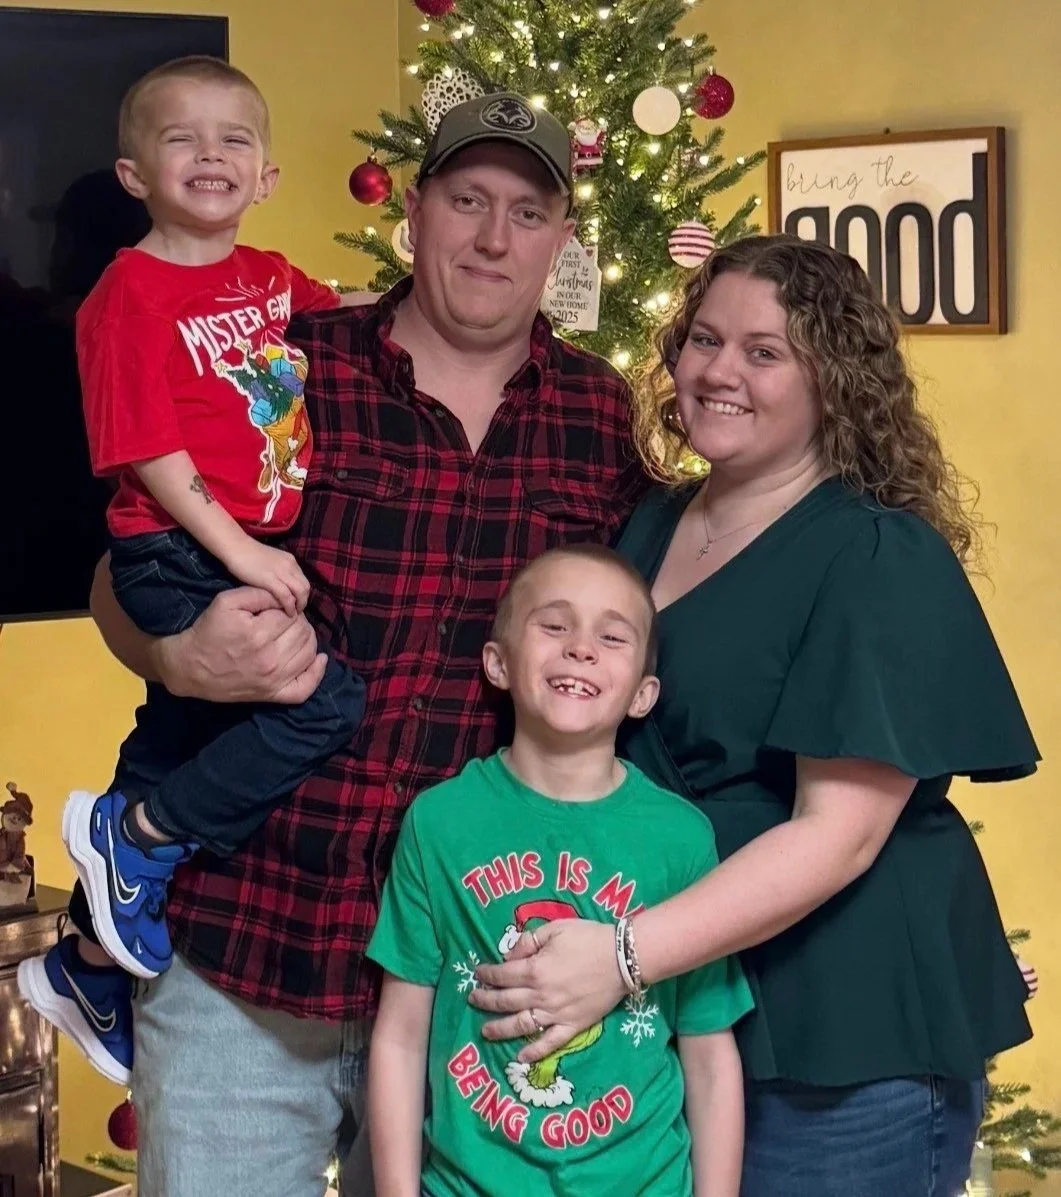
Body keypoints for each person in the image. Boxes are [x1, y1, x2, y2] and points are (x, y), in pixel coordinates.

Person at [76, 91, 647, 1197]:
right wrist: (173, 656)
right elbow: (123, 561)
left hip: (472, 982)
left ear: (561, 240)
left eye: (527, 213)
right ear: (416, 211)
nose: (493, 238)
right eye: (467, 201)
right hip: (245, 948)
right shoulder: (286, 363)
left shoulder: (599, 416)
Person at [467, 234, 1040, 1197]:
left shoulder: (876, 553)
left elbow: (840, 835)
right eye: (705, 339)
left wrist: (619, 957)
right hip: (683, 1007)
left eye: (763, 352)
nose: (718, 371)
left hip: (841, 1026)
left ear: (833, 382)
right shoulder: (650, 523)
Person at [17, 55, 374, 1083]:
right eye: (183, 139)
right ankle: (139, 839)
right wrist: (246, 553)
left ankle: (88, 963)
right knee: (322, 699)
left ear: (266, 174)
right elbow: (150, 458)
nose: (211, 155)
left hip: (237, 545)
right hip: (174, 549)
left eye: (234, 140)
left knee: (180, 732)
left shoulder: (265, 275)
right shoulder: (126, 294)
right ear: (135, 174)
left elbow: (342, 316)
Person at [366, 544, 751, 1197]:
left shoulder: (681, 838)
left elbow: (709, 1055)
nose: (580, 648)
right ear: (498, 662)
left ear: (643, 694)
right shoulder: (440, 822)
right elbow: (400, 1037)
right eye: (554, 625)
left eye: (611, 637)